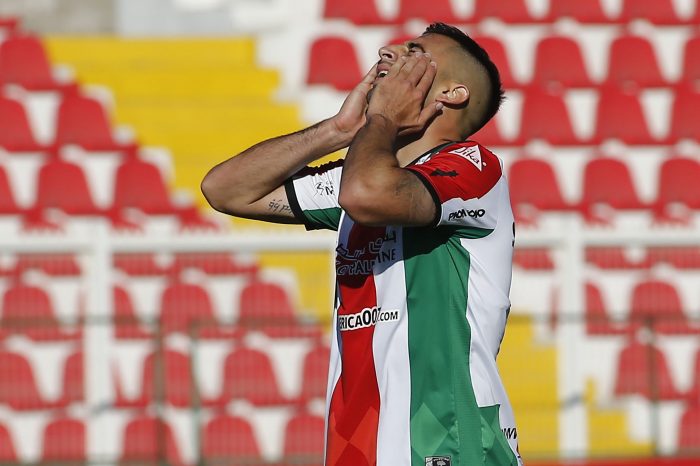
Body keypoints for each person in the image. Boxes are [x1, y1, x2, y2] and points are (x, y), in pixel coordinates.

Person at [202, 22, 523, 466]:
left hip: (449, 445)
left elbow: (366, 196)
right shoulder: (366, 175)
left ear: (452, 93)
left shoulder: (473, 166)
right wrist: (336, 130)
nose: (387, 51)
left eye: (413, 51)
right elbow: (226, 190)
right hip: (357, 446)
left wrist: (383, 120)